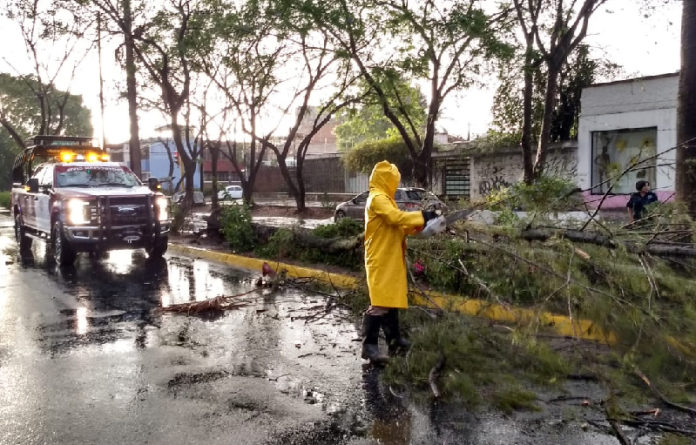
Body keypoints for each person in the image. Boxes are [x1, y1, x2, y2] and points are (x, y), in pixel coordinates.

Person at [361, 161, 445, 364]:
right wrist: (424, 216)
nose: (395, 185)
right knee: (380, 303)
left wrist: (425, 226)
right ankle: (369, 347)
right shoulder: (377, 198)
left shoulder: (386, 199)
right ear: (386, 180)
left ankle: (395, 341)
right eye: (393, 181)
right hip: (380, 258)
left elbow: (399, 226)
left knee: (390, 300)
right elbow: (395, 218)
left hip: (389, 257)